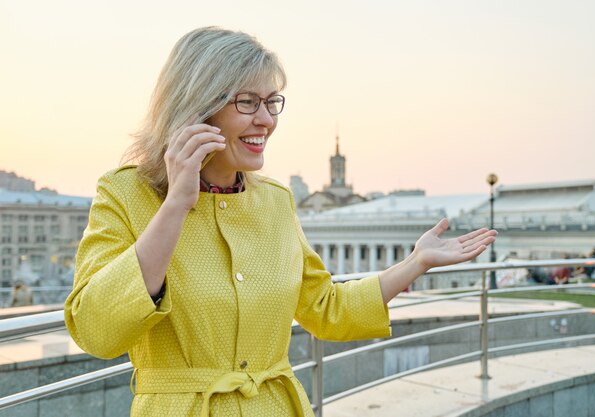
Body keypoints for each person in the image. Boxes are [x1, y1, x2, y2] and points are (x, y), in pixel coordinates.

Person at [64, 27, 497, 417]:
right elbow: (97, 332)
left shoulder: (275, 201)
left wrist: (416, 262)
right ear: (196, 107)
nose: (267, 120)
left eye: (271, 102)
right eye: (247, 102)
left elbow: (326, 309)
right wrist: (176, 203)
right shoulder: (125, 194)